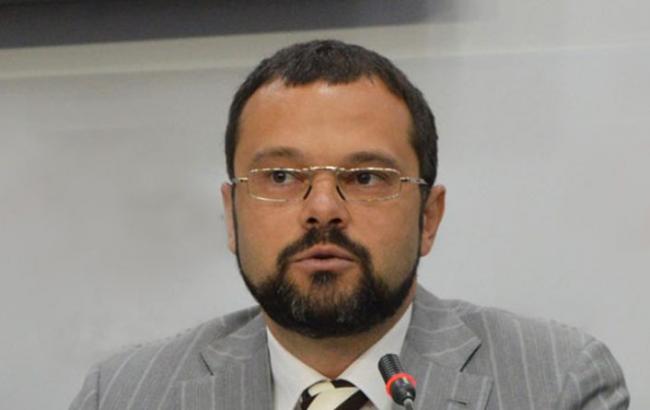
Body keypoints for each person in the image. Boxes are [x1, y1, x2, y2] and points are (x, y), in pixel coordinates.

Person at [69, 40, 629, 410]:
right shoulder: (123, 395)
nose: (322, 209)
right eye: (281, 176)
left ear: (428, 218)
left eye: (365, 177)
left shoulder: (558, 382)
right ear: (231, 214)